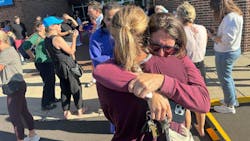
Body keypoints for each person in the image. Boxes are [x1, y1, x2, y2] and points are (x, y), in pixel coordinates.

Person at [94, 6, 210, 140]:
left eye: (168, 48)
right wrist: (153, 91)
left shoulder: (106, 76)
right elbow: (203, 103)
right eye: (157, 46)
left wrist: (160, 81)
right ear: (147, 34)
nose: (162, 53)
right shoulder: (178, 61)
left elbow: (111, 116)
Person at [0, 30, 40, 141]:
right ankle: (32, 134)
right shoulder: (9, 50)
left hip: (14, 87)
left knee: (14, 116)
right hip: (18, 85)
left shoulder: (6, 53)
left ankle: (21, 139)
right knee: (23, 111)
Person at [89, 1, 121, 133]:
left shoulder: (127, 33)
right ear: (103, 18)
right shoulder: (97, 36)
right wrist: (118, 60)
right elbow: (97, 60)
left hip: (127, 79)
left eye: (116, 18)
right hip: (108, 80)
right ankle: (116, 129)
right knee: (113, 108)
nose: (112, 22)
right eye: (109, 19)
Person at [43, 16, 84, 119]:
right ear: (52, 26)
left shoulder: (46, 39)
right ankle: (79, 109)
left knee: (64, 88)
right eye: (57, 24)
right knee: (75, 87)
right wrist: (74, 38)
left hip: (58, 66)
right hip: (67, 65)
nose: (60, 25)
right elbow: (71, 51)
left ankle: (66, 111)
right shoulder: (57, 39)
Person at [176, 1, 208, 136]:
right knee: (199, 99)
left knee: (186, 100)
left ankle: (186, 130)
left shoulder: (180, 31)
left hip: (186, 67)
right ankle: (201, 128)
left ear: (179, 15)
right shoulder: (202, 28)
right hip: (200, 65)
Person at [208, 0, 243, 114]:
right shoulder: (235, 15)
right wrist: (216, 32)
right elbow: (228, 35)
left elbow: (226, 40)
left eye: (214, 10)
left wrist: (212, 36)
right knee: (228, 77)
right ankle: (232, 100)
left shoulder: (230, 18)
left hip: (225, 53)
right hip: (231, 51)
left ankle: (229, 106)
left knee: (225, 79)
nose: (214, 12)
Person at [22, 21, 59, 110]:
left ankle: (52, 98)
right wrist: (33, 57)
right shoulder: (35, 36)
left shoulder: (46, 35)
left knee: (52, 81)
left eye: (44, 25)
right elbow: (26, 46)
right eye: (42, 26)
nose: (44, 27)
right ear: (38, 28)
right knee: (47, 82)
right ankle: (45, 103)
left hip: (49, 61)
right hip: (42, 63)